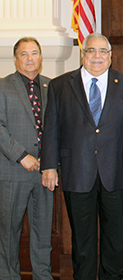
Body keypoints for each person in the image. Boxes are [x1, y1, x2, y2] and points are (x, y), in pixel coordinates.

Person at [40, 33, 123, 280]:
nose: (97, 56)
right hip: (77, 170)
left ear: (110, 56)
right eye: (91, 51)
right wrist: (49, 165)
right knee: (82, 240)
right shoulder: (60, 85)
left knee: (115, 238)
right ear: (82, 54)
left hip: (117, 171)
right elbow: (51, 127)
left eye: (102, 51)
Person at [0, 37, 53, 279]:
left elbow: (58, 128)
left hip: (45, 173)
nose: (30, 58)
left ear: (41, 58)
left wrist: (52, 162)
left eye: (34, 53)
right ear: (15, 59)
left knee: (43, 235)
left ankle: (42, 276)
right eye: (24, 54)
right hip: (13, 172)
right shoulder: (2, 86)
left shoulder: (52, 87)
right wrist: (22, 156)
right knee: (9, 235)